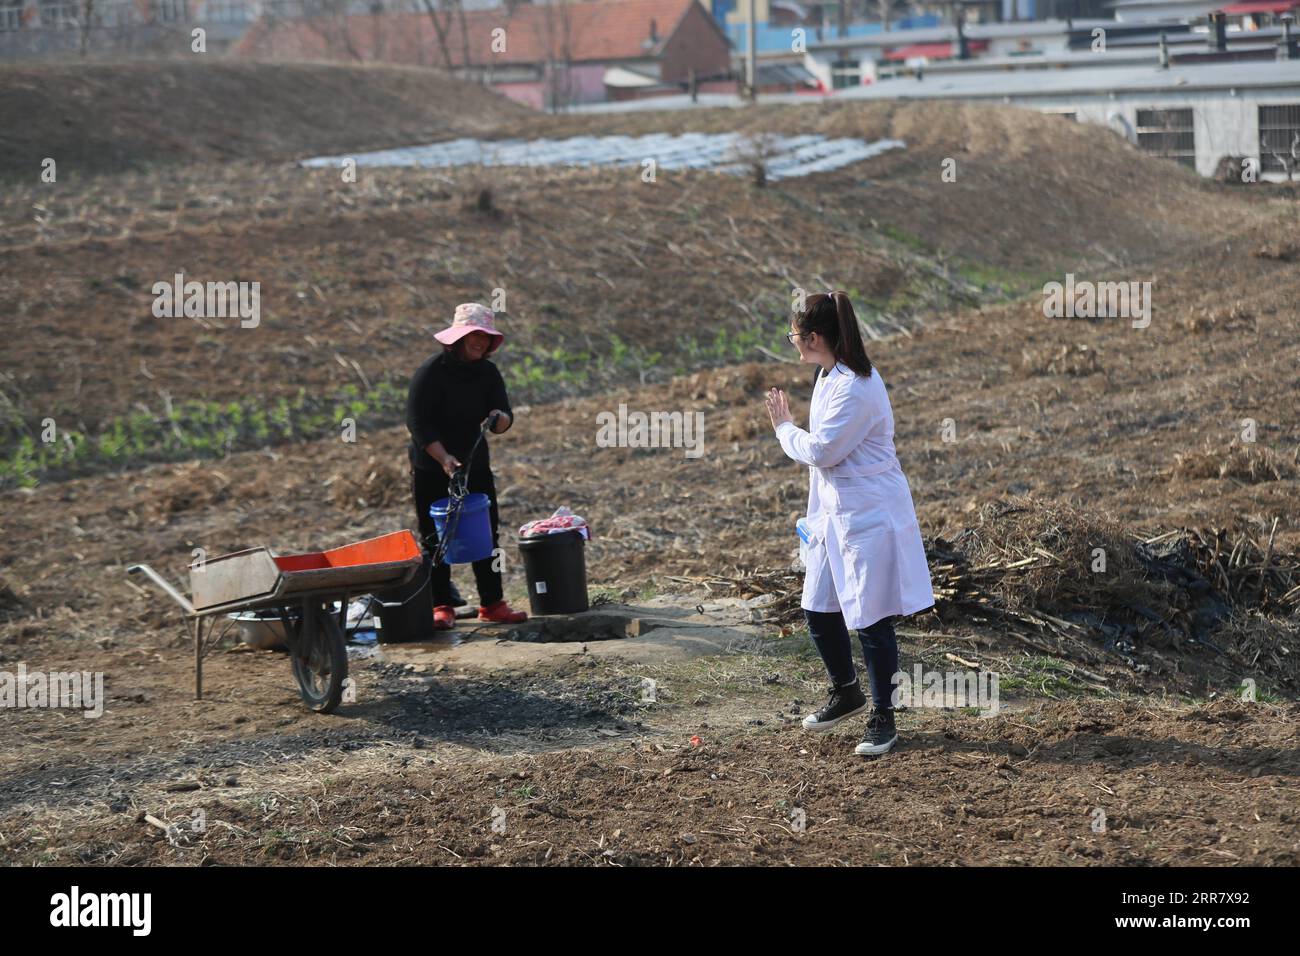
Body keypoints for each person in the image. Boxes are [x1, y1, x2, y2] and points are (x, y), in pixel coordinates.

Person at [764, 291, 934, 756]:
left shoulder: (856, 386)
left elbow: (822, 451)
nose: (793, 343)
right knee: (818, 607)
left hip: (869, 514)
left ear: (815, 337)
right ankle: (847, 691)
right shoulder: (827, 375)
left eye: (795, 336)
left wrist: (784, 429)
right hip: (833, 512)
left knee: (872, 618)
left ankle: (884, 715)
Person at [406, 303, 529, 629]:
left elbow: (504, 416)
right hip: (432, 465)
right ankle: (440, 605)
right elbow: (417, 424)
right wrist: (444, 458)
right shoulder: (431, 372)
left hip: (473, 464)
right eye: (474, 336)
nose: (479, 342)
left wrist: (500, 419)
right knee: (434, 535)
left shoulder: (488, 373)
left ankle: (492, 603)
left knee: (485, 531)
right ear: (458, 338)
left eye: (485, 337)